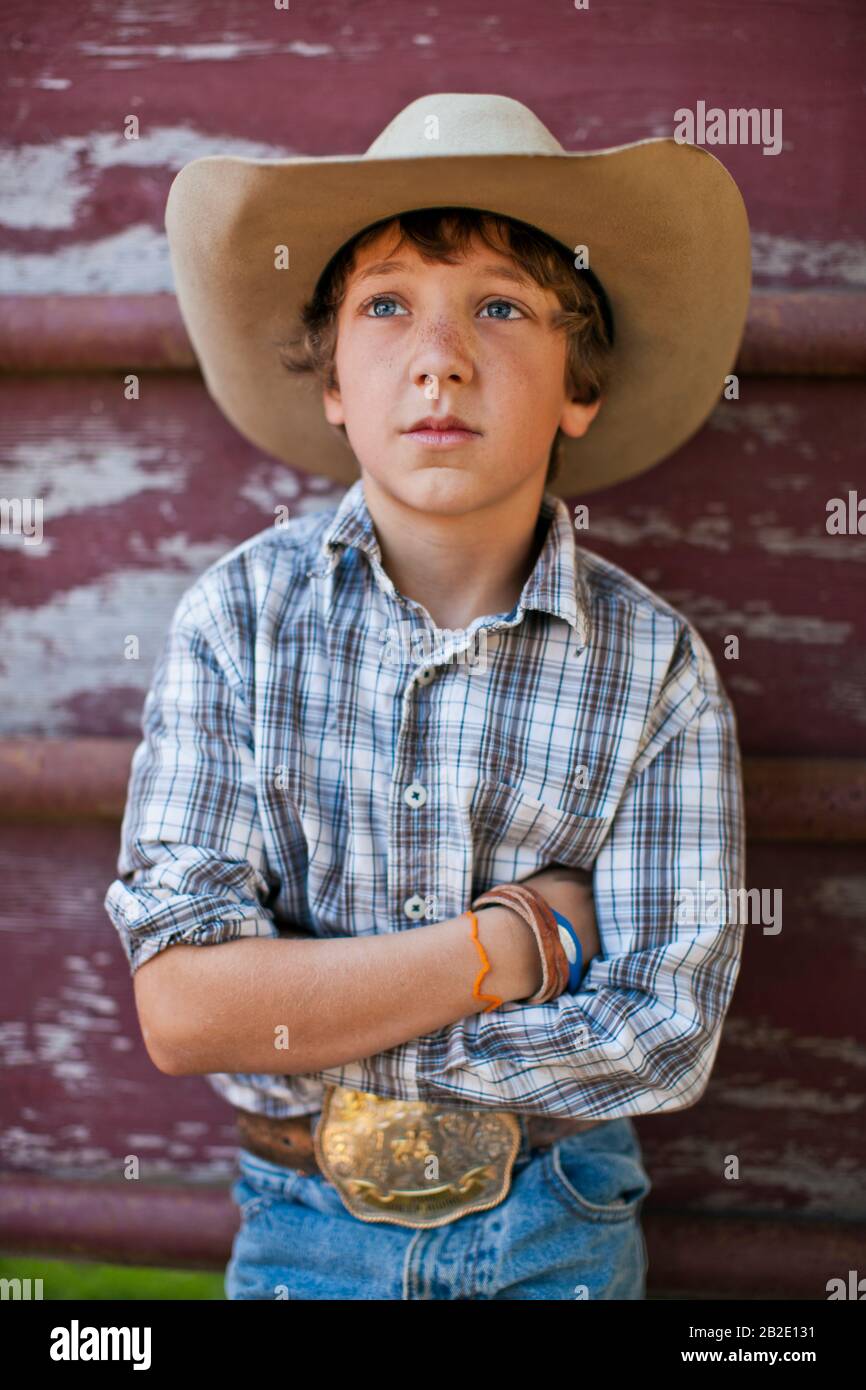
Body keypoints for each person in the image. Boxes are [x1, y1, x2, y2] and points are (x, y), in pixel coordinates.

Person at [104, 92, 750, 1300]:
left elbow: (659, 1038)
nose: (440, 355)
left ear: (578, 386)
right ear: (335, 381)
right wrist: (515, 944)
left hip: (554, 1223)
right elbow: (187, 1009)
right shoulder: (239, 622)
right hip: (302, 1219)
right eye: (385, 304)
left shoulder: (651, 666)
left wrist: (307, 1003)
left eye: (500, 308)